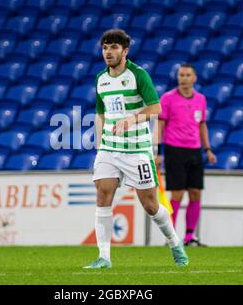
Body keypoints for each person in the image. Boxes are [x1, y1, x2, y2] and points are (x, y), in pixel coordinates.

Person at [84, 29, 188, 269]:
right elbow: (100, 112)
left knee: (150, 204)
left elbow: (155, 108)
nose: (108, 52)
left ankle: (174, 242)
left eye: (113, 47)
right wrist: (100, 144)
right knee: (103, 194)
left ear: (125, 51)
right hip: (110, 149)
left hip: (137, 150)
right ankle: (104, 257)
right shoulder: (101, 78)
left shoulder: (138, 75)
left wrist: (132, 119)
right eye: (105, 48)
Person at [155, 64, 217, 247]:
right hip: (175, 149)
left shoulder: (201, 99)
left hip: (195, 150)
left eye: (188, 75)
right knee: (177, 194)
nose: (184, 78)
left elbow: (202, 125)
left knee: (196, 193)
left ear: (194, 78)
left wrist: (208, 149)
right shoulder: (167, 98)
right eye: (181, 75)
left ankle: (190, 237)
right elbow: (160, 125)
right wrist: (158, 152)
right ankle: (171, 237)